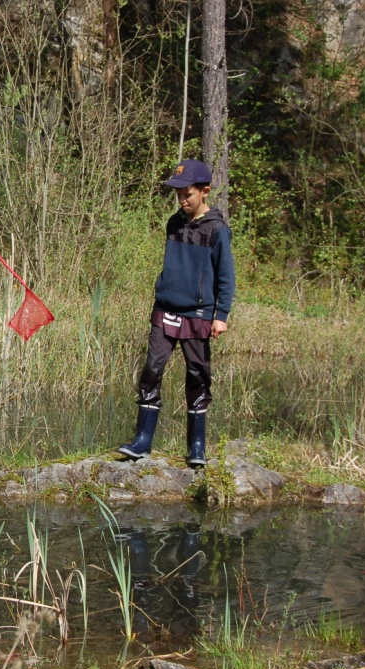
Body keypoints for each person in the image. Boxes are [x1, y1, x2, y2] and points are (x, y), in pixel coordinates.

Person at [117, 160, 235, 468]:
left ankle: (196, 446)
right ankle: (142, 441)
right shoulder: (174, 222)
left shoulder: (217, 230)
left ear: (205, 191)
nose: (183, 200)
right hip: (166, 309)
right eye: (178, 194)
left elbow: (226, 275)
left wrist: (220, 314)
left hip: (199, 313)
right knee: (152, 369)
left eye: (188, 194)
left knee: (198, 375)